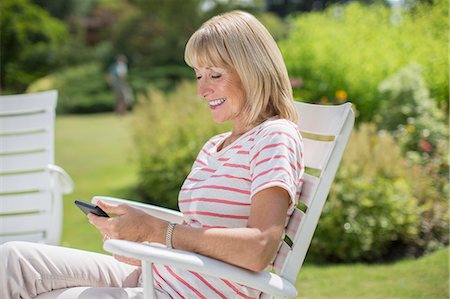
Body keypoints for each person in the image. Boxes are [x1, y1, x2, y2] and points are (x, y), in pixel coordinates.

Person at [0, 10, 304, 299]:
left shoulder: (274, 137)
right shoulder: (216, 145)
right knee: (12, 259)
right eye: (199, 76)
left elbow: (260, 247)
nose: (202, 91)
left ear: (252, 70)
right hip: (159, 276)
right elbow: (195, 231)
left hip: (181, 292)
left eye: (214, 75)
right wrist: (141, 238)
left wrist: (156, 230)